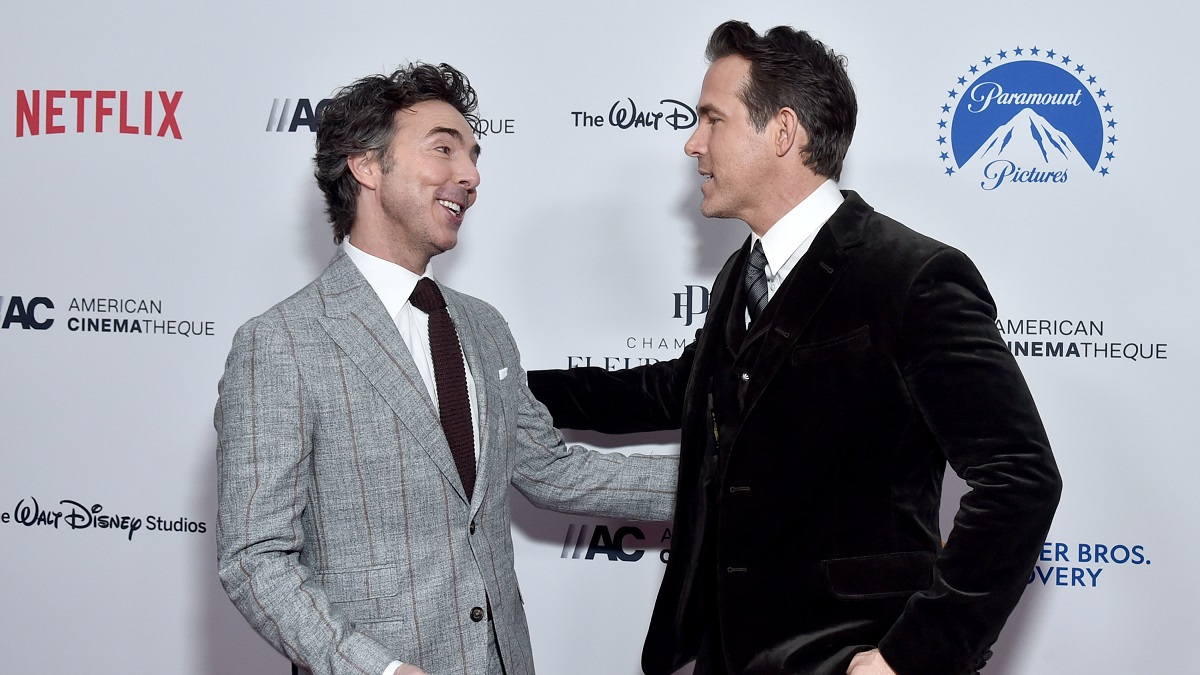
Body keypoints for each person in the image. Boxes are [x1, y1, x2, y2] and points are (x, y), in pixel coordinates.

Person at [527, 21, 1061, 675]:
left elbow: (1021, 480)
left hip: (846, 655)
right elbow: (677, 387)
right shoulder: (739, 275)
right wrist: (491, 382)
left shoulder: (912, 277)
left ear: (782, 131)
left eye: (711, 120)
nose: (692, 144)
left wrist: (907, 656)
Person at [214, 62, 676, 675]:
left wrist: (729, 479)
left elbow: (551, 472)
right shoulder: (281, 344)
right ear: (367, 166)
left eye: (474, 155)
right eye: (443, 149)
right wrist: (376, 670)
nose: (471, 175)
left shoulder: (483, 326)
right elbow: (255, 557)